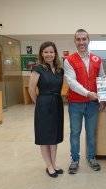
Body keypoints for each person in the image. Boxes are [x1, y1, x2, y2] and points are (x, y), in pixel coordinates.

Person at [64, 29, 105, 174]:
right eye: (78, 39)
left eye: (84, 39)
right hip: (75, 103)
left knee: (91, 132)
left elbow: (102, 79)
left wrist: (103, 98)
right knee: (75, 132)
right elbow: (71, 82)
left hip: (93, 104)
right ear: (75, 41)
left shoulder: (97, 59)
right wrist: (88, 93)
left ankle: (91, 157)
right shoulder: (69, 60)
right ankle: (74, 160)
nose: (81, 42)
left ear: (88, 40)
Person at [28, 41, 64, 178]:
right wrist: (39, 103)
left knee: (54, 136)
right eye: (46, 52)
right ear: (42, 54)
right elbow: (31, 89)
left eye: (51, 52)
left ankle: (53, 164)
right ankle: (48, 166)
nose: (49, 54)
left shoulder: (60, 69)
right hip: (43, 104)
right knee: (44, 137)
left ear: (55, 53)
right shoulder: (37, 68)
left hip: (57, 104)